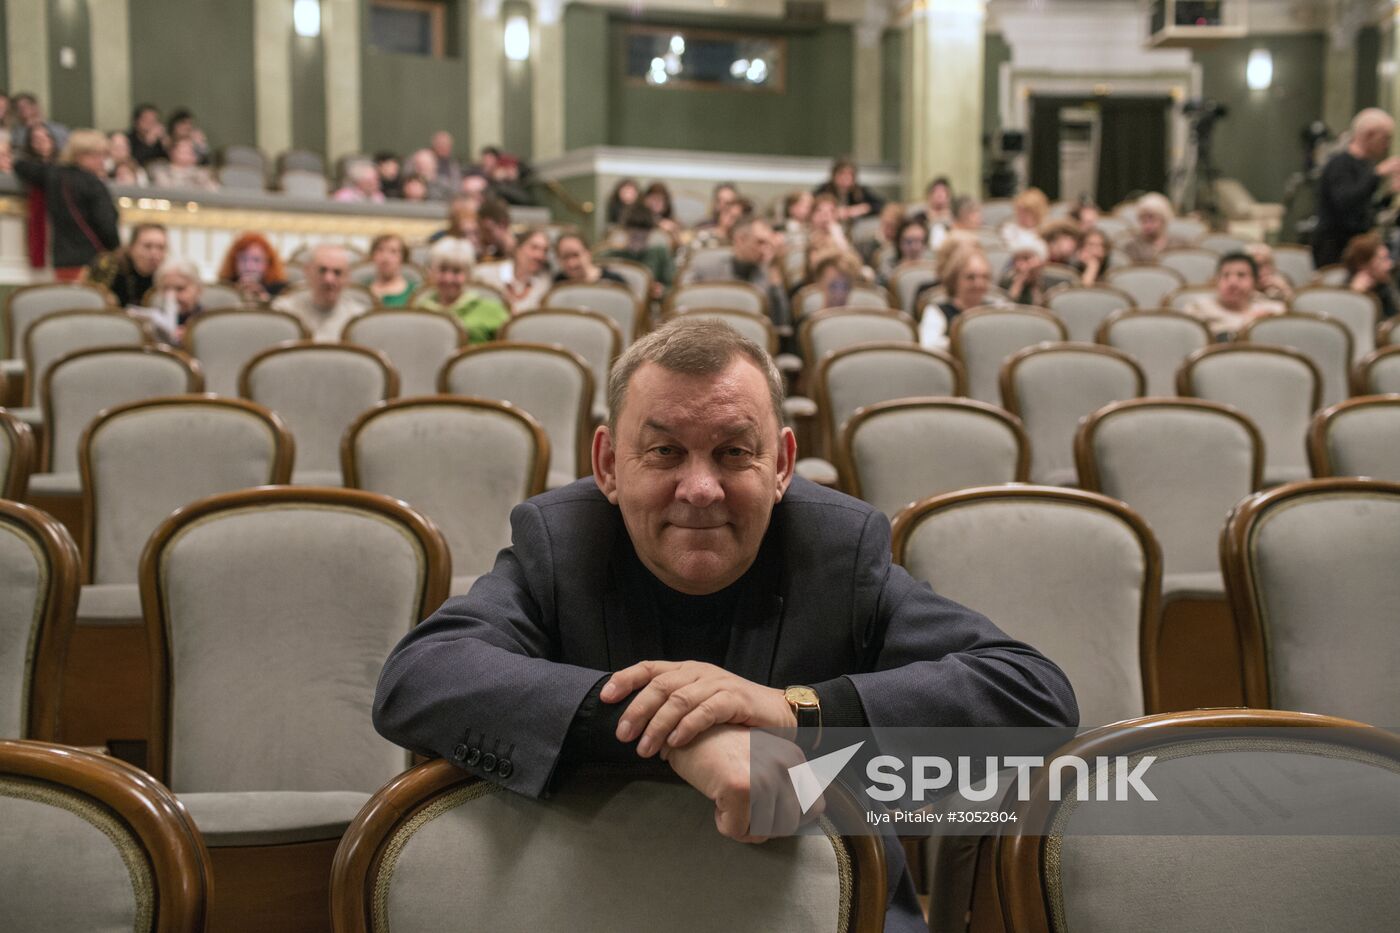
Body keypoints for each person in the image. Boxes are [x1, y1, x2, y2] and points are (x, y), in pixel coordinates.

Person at [371, 318, 1078, 933]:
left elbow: (1032, 694)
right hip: (601, 902)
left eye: (735, 452)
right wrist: (687, 738)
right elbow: (421, 675)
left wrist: (789, 711)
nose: (701, 488)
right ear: (608, 465)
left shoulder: (839, 552)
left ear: (784, 465)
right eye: (665, 451)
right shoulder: (562, 545)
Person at [15, 128, 120, 280]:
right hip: (91, 261)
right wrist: (114, 248)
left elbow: (21, 166)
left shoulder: (54, 175)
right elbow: (106, 225)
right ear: (80, 155)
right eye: (98, 155)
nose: (102, 161)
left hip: (62, 259)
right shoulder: (94, 184)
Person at [1313, 108, 1400, 268]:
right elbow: (1345, 202)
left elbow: (1366, 211)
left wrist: (1389, 194)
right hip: (1335, 249)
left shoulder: (1366, 166)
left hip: (1357, 248)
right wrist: (1377, 174)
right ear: (1369, 135)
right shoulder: (1340, 164)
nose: (1387, 145)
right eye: (1385, 138)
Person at [682, 216, 790, 328]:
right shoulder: (704, 265)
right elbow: (683, 309)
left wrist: (774, 269)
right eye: (760, 242)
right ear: (740, 240)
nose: (765, 250)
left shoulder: (768, 269)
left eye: (768, 243)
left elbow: (781, 323)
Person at [413, 237, 511, 343]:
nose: (448, 279)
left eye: (456, 271)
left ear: (468, 275)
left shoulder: (492, 310)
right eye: (443, 270)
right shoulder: (419, 309)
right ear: (432, 273)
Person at [273, 243, 372, 340]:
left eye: (337, 273)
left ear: (347, 278)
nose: (329, 279)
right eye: (322, 270)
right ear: (307, 272)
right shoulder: (284, 312)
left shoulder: (358, 319)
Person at [1184, 252, 1285, 340]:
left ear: (1255, 281)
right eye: (1226, 275)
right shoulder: (1198, 310)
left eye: (1241, 275)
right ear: (1216, 281)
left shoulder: (1272, 310)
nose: (1232, 282)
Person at [601, 205, 674, 301]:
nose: (638, 242)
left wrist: (662, 291)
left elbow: (673, 287)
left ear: (650, 233)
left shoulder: (660, 253)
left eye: (643, 238)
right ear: (625, 231)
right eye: (634, 237)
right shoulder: (610, 255)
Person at [87, 223, 167, 307]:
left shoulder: (163, 276)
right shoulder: (109, 265)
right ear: (131, 247)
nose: (154, 254)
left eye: (161, 247)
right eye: (147, 246)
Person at [478, 227, 552, 312]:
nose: (540, 256)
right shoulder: (484, 274)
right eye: (534, 248)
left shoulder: (544, 283)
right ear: (518, 249)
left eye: (545, 251)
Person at [218, 232, 290, 303]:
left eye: (256, 260)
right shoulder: (224, 288)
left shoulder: (281, 291)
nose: (249, 266)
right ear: (233, 261)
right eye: (243, 259)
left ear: (268, 263)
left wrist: (266, 301)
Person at [1342, 232, 1400, 321]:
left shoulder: (1383, 285)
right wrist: (1356, 297)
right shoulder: (1346, 294)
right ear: (1362, 265)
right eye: (1383, 259)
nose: (1389, 265)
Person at [145, 257, 205, 342]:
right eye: (165, 289)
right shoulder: (155, 320)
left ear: (199, 289)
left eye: (180, 288)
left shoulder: (207, 322)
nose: (172, 296)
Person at [1120, 192, 1186, 264]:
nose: (1147, 223)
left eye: (1151, 218)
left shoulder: (1179, 244)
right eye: (1143, 218)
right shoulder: (1132, 246)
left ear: (1163, 219)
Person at [936, 246, 993, 326]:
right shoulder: (938, 313)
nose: (978, 284)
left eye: (984, 277)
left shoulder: (994, 311)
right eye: (971, 277)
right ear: (955, 280)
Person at [812, 157, 883, 221]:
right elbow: (811, 205)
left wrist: (862, 209)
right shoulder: (825, 189)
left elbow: (881, 205)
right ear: (834, 175)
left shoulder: (860, 191)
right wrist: (833, 212)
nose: (846, 178)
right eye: (842, 173)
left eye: (849, 174)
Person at [553, 232, 628, 287]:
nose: (571, 263)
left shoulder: (615, 282)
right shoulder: (558, 282)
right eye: (565, 257)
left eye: (576, 255)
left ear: (588, 254)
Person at [366, 233, 416, 307]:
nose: (385, 257)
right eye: (380, 250)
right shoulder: (361, 291)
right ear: (372, 256)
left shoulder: (414, 294)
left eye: (393, 251)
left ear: (403, 258)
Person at [149, 138, 219, 191]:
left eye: (189, 151)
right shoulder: (159, 170)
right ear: (172, 152)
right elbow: (163, 189)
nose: (186, 154)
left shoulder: (203, 173)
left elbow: (213, 191)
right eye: (182, 151)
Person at [1000, 188, 1049, 253]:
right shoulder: (1009, 229)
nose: (1021, 216)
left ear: (1037, 213)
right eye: (1019, 212)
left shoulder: (1047, 230)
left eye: (1026, 212)